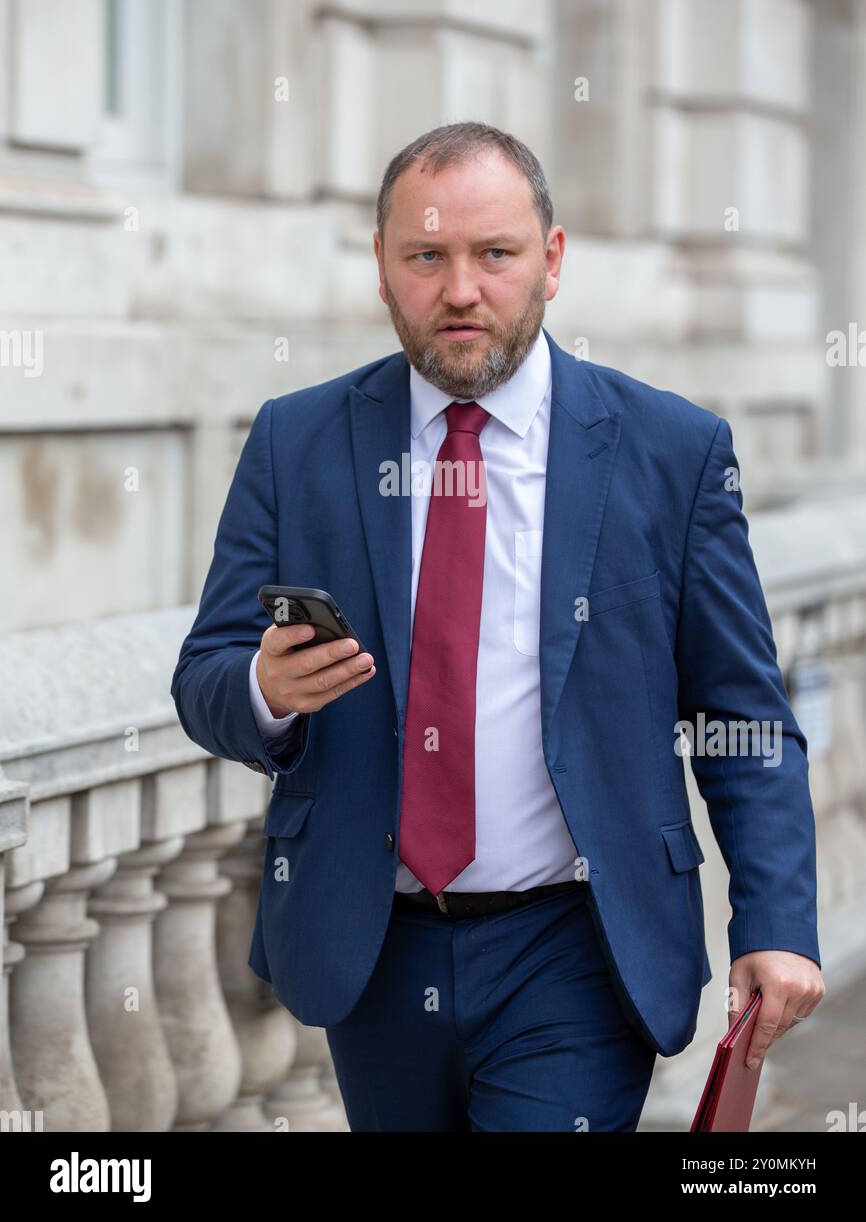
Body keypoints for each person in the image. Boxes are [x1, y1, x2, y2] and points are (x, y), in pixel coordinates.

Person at [171, 121, 824, 1132]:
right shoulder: (296, 441)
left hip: (573, 945)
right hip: (371, 946)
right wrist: (262, 690)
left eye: (494, 254)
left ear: (551, 261)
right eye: (425, 256)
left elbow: (743, 714)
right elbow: (204, 675)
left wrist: (776, 922)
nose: (460, 289)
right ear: (382, 270)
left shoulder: (670, 451)